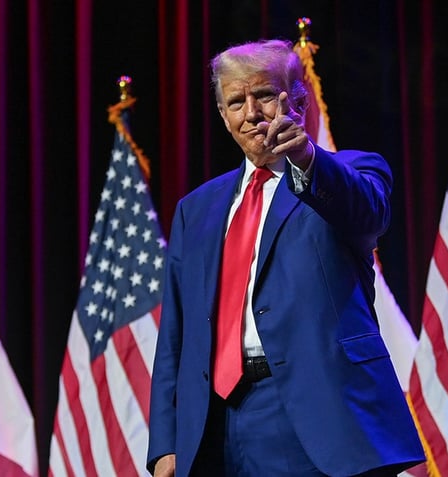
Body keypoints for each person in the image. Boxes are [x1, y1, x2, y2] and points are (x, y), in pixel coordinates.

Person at [147, 39, 425, 476]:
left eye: (263, 95)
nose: (252, 113)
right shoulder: (195, 209)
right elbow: (176, 334)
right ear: (223, 116)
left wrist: (304, 158)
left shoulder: (349, 172)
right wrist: (165, 442)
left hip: (316, 417)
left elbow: (368, 211)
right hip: (215, 425)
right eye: (236, 102)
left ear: (297, 99)